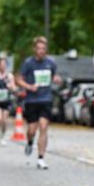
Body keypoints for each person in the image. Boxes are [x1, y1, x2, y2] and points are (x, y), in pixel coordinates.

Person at [16, 36, 61, 169]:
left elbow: (54, 76)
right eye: (39, 48)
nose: (41, 51)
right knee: (31, 130)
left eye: (43, 48)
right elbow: (18, 79)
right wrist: (29, 87)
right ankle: (30, 141)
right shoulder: (28, 63)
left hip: (46, 99)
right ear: (34, 49)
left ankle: (41, 158)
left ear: (46, 49)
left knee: (43, 127)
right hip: (32, 100)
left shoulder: (51, 63)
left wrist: (57, 79)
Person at [0, 57, 16, 144]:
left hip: (6, 100)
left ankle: (3, 136)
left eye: (4, 64)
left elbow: (14, 87)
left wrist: (11, 87)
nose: (2, 66)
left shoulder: (10, 76)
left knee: (4, 121)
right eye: (1, 64)